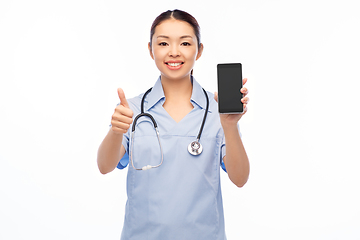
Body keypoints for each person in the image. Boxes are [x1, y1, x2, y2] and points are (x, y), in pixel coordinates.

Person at [97, 9, 250, 240]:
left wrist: (229, 126)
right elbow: (105, 166)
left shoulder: (219, 112)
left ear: (199, 51)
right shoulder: (132, 110)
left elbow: (240, 179)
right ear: (151, 50)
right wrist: (117, 131)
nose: (174, 52)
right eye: (164, 43)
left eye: (185, 43)